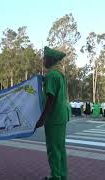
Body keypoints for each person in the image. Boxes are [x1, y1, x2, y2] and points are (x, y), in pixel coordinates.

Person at [36, 46, 69, 180]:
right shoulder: (59, 74)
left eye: (45, 58)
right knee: (60, 148)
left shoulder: (51, 75)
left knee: (53, 149)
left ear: (51, 59)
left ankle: (55, 177)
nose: (43, 60)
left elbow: (50, 98)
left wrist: (42, 119)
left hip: (53, 117)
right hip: (62, 115)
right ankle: (62, 175)